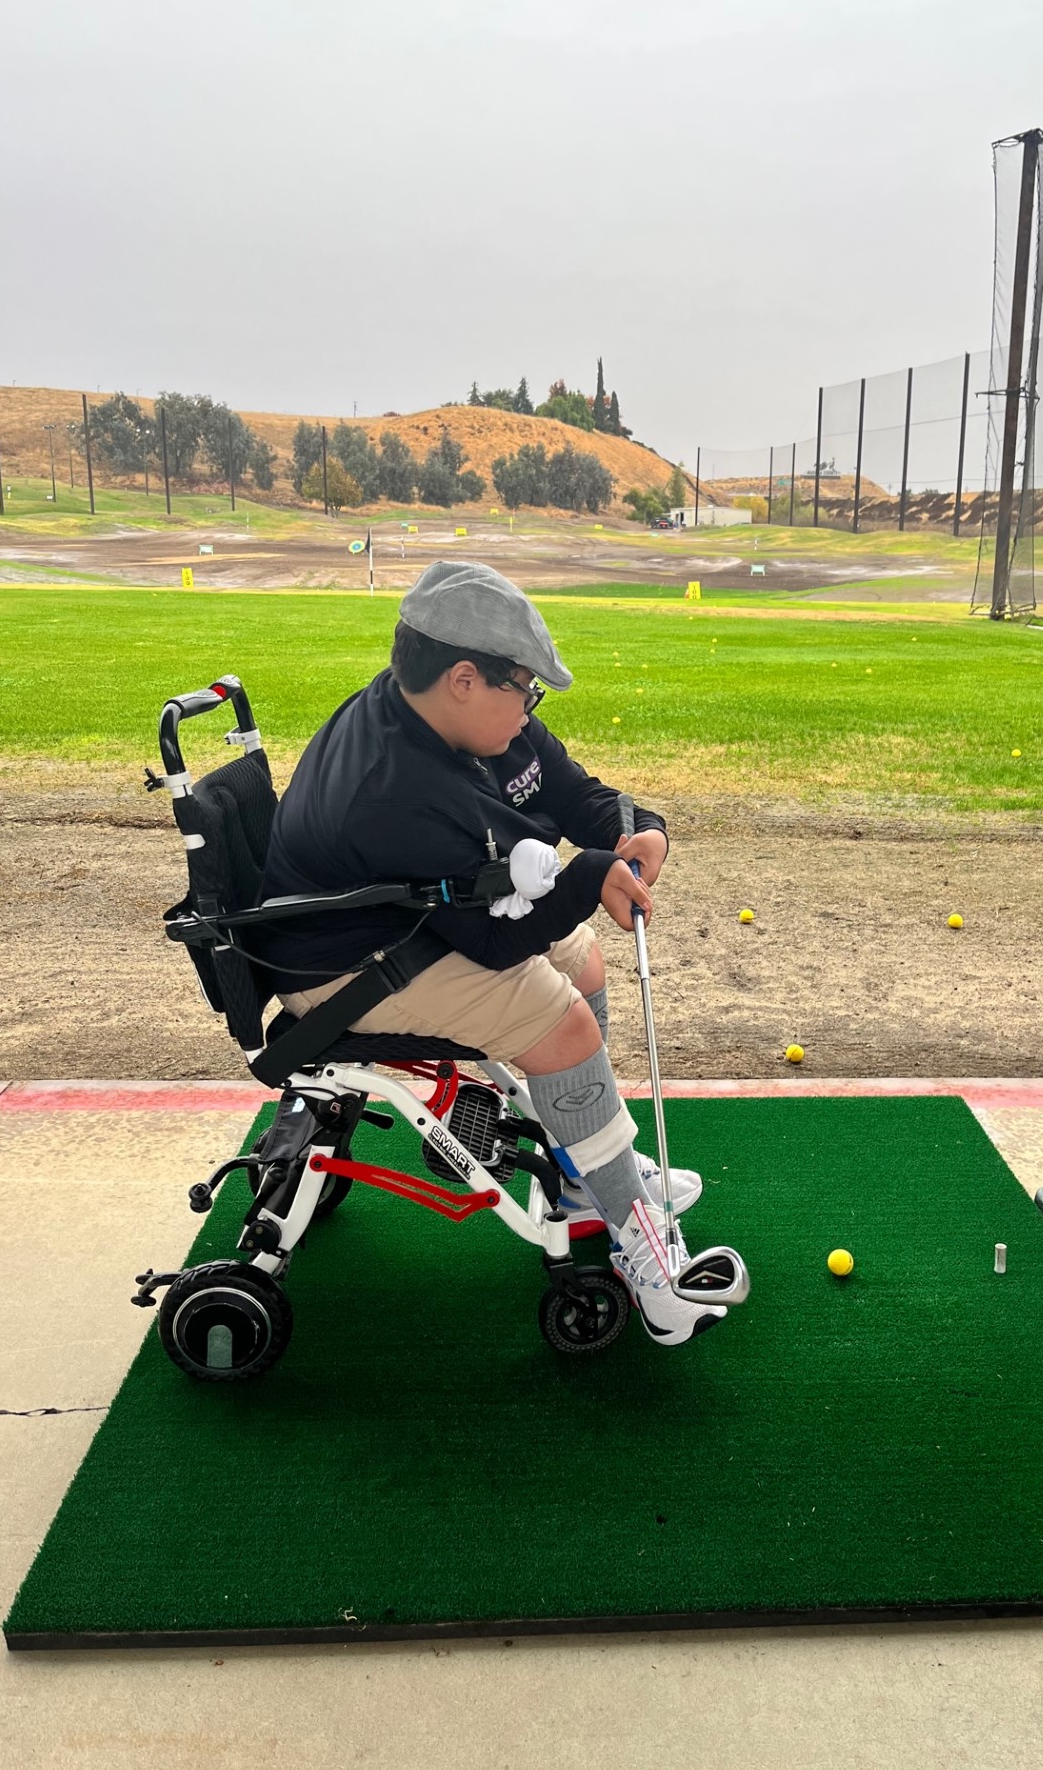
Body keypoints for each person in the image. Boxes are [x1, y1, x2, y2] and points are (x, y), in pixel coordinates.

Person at [258, 560, 726, 1346]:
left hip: (405, 925)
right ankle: (640, 1253)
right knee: (566, 1025)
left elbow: (569, 789)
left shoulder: (467, 719)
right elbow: (498, 938)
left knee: (585, 961)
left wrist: (634, 827)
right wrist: (585, 877)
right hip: (347, 966)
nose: (531, 709)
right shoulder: (392, 789)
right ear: (466, 678)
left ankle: (587, 1178)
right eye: (526, 689)